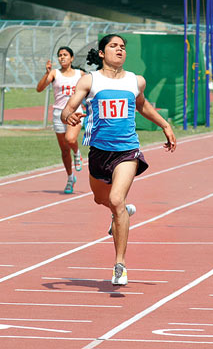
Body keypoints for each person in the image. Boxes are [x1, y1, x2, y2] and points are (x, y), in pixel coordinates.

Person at [61, 34, 176, 286]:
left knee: (116, 199)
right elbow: (67, 109)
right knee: (101, 199)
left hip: (127, 150)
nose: (119, 50)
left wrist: (165, 125)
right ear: (102, 53)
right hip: (99, 152)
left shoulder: (136, 81)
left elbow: (142, 106)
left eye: (123, 47)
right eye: (113, 46)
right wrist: (67, 116)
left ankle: (119, 265)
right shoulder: (89, 80)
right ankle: (121, 213)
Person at [36, 46, 85, 194]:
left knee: (71, 140)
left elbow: (90, 90)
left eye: (65, 55)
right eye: (60, 55)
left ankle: (77, 153)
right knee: (64, 150)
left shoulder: (80, 74)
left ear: (71, 58)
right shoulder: (54, 73)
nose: (62, 57)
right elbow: (39, 88)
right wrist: (46, 73)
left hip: (74, 112)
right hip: (58, 113)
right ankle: (70, 178)